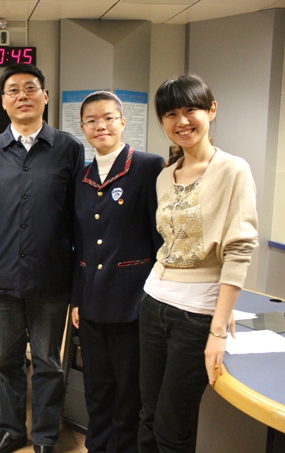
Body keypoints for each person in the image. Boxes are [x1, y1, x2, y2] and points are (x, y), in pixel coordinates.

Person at [138, 74, 258, 453]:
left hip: (196, 315)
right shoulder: (164, 176)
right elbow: (171, 243)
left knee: (172, 427)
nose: (182, 121)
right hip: (153, 302)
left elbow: (238, 249)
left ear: (212, 110)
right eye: (171, 114)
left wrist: (218, 327)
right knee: (148, 416)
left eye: (191, 110)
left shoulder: (233, 170)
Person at [0, 64, 84, 453]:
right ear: (3, 101)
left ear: (45, 96)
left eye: (30, 88)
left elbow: (76, 215)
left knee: (48, 362)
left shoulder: (68, 149)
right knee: (6, 361)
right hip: (1, 278)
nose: (22, 96)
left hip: (51, 277)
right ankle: (11, 430)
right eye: (13, 90)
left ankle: (45, 436)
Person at [70, 91, 164, 453]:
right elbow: (80, 244)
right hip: (92, 303)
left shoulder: (148, 167)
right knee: (97, 389)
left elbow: (160, 240)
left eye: (108, 118)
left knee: (129, 392)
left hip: (133, 303)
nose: (101, 126)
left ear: (123, 122)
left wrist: (154, 300)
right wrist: (77, 300)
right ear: (82, 128)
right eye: (92, 120)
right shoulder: (82, 177)